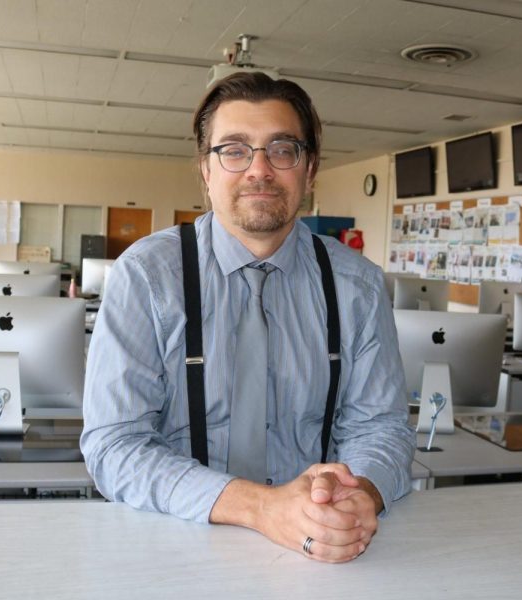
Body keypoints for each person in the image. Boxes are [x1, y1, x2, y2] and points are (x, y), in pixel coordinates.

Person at [81, 72, 415, 564]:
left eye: (282, 149)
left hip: (314, 551)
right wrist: (263, 508)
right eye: (235, 150)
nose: (259, 169)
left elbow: (381, 427)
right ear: (206, 171)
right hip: (173, 543)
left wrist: (358, 495)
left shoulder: (358, 286)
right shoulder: (147, 275)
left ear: (309, 169)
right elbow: (115, 444)